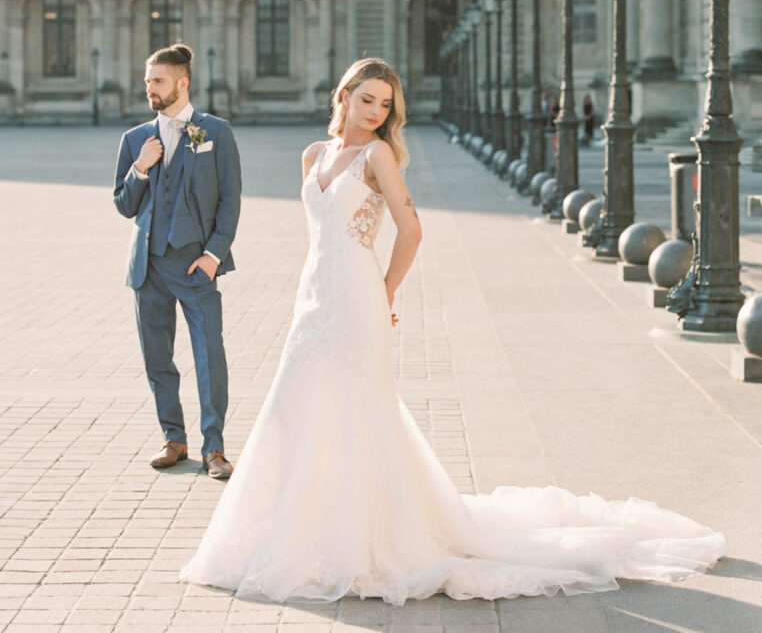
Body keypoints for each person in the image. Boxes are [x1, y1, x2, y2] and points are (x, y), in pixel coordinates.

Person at [180, 57, 723, 604]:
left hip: (357, 296)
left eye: (385, 104)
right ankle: (301, 531)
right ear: (343, 95)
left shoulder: (378, 155)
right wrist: (315, 285)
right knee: (299, 405)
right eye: (366, 98)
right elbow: (318, 231)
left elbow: (411, 231)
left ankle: (360, 539)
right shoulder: (313, 155)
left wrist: (384, 290)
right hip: (314, 296)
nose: (374, 111)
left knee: (354, 409)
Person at [113, 44, 242, 479]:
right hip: (148, 268)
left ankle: (215, 448)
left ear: (182, 83)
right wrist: (141, 169)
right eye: (148, 80)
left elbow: (230, 199)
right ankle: (174, 438)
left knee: (209, 355)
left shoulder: (215, 133)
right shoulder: (134, 140)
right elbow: (124, 205)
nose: (149, 88)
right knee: (158, 358)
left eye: (157, 81)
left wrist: (213, 254)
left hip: (195, 265)